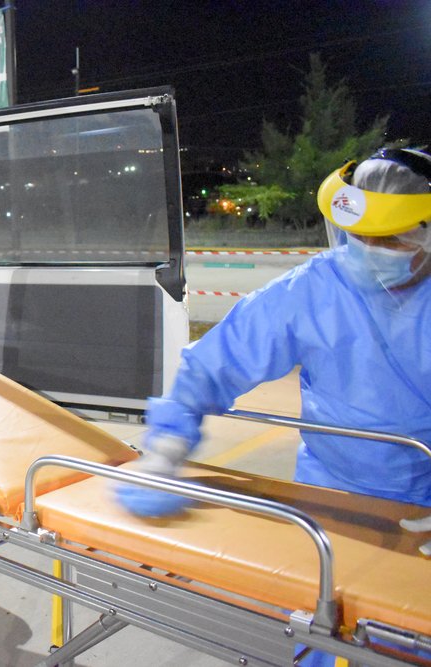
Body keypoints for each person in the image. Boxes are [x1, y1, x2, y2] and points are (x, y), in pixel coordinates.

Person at [115, 147, 431, 666]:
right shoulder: (314, 290)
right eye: (359, 237)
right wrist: (168, 444)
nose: (370, 250)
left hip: (422, 502)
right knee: (321, 629)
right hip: (329, 494)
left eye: (390, 239)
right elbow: (215, 364)